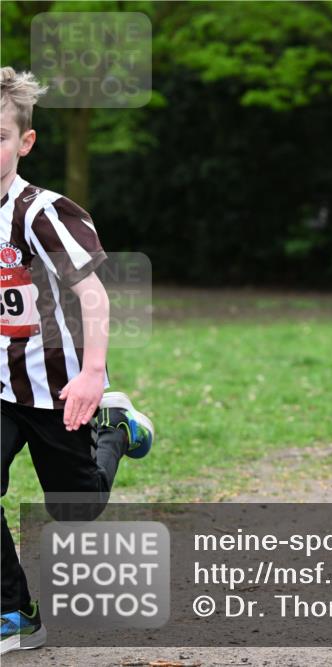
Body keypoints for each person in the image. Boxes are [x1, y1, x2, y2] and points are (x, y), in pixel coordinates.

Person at [1, 68, 155, 656]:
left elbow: (95, 295)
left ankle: (114, 428)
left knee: (76, 509)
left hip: (62, 384)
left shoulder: (43, 212)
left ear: (25, 142)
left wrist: (92, 376)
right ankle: (15, 612)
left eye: (0, 137)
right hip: (1, 385)